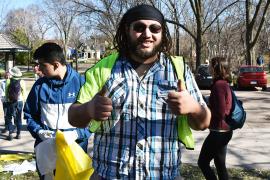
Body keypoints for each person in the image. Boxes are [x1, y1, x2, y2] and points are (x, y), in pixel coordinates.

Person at [68, 4, 211, 179]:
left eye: (155, 28)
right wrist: (89, 109)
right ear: (127, 30)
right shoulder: (103, 69)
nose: (147, 34)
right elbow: (73, 116)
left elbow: (204, 123)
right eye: (139, 27)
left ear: (162, 33)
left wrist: (194, 108)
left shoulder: (178, 70)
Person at [23, 42, 91, 178]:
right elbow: (29, 115)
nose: (39, 69)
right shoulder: (39, 86)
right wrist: (38, 131)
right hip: (47, 150)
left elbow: (93, 120)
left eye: (42, 65)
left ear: (56, 64)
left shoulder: (82, 84)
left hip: (75, 149)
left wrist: (77, 134)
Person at [198, 57, 233, 180]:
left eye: (210, 66)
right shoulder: (224, 83)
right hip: (225, 131)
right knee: (220, 165)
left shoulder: (218, 85)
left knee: (202, 162)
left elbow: (220, 112)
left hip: (219, 132)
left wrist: (206, 107)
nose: (208, 69)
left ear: (216, 68)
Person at [5, 67, 26, 140]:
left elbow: (6, 92)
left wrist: (7, 100)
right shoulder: (22, 81)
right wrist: (24, 100)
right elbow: (24, 92)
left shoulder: (8, 81)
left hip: (10, 101)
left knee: (9, 117)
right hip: (20, 102)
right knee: (18, 117)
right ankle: (18, 134)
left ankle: (10, 134)